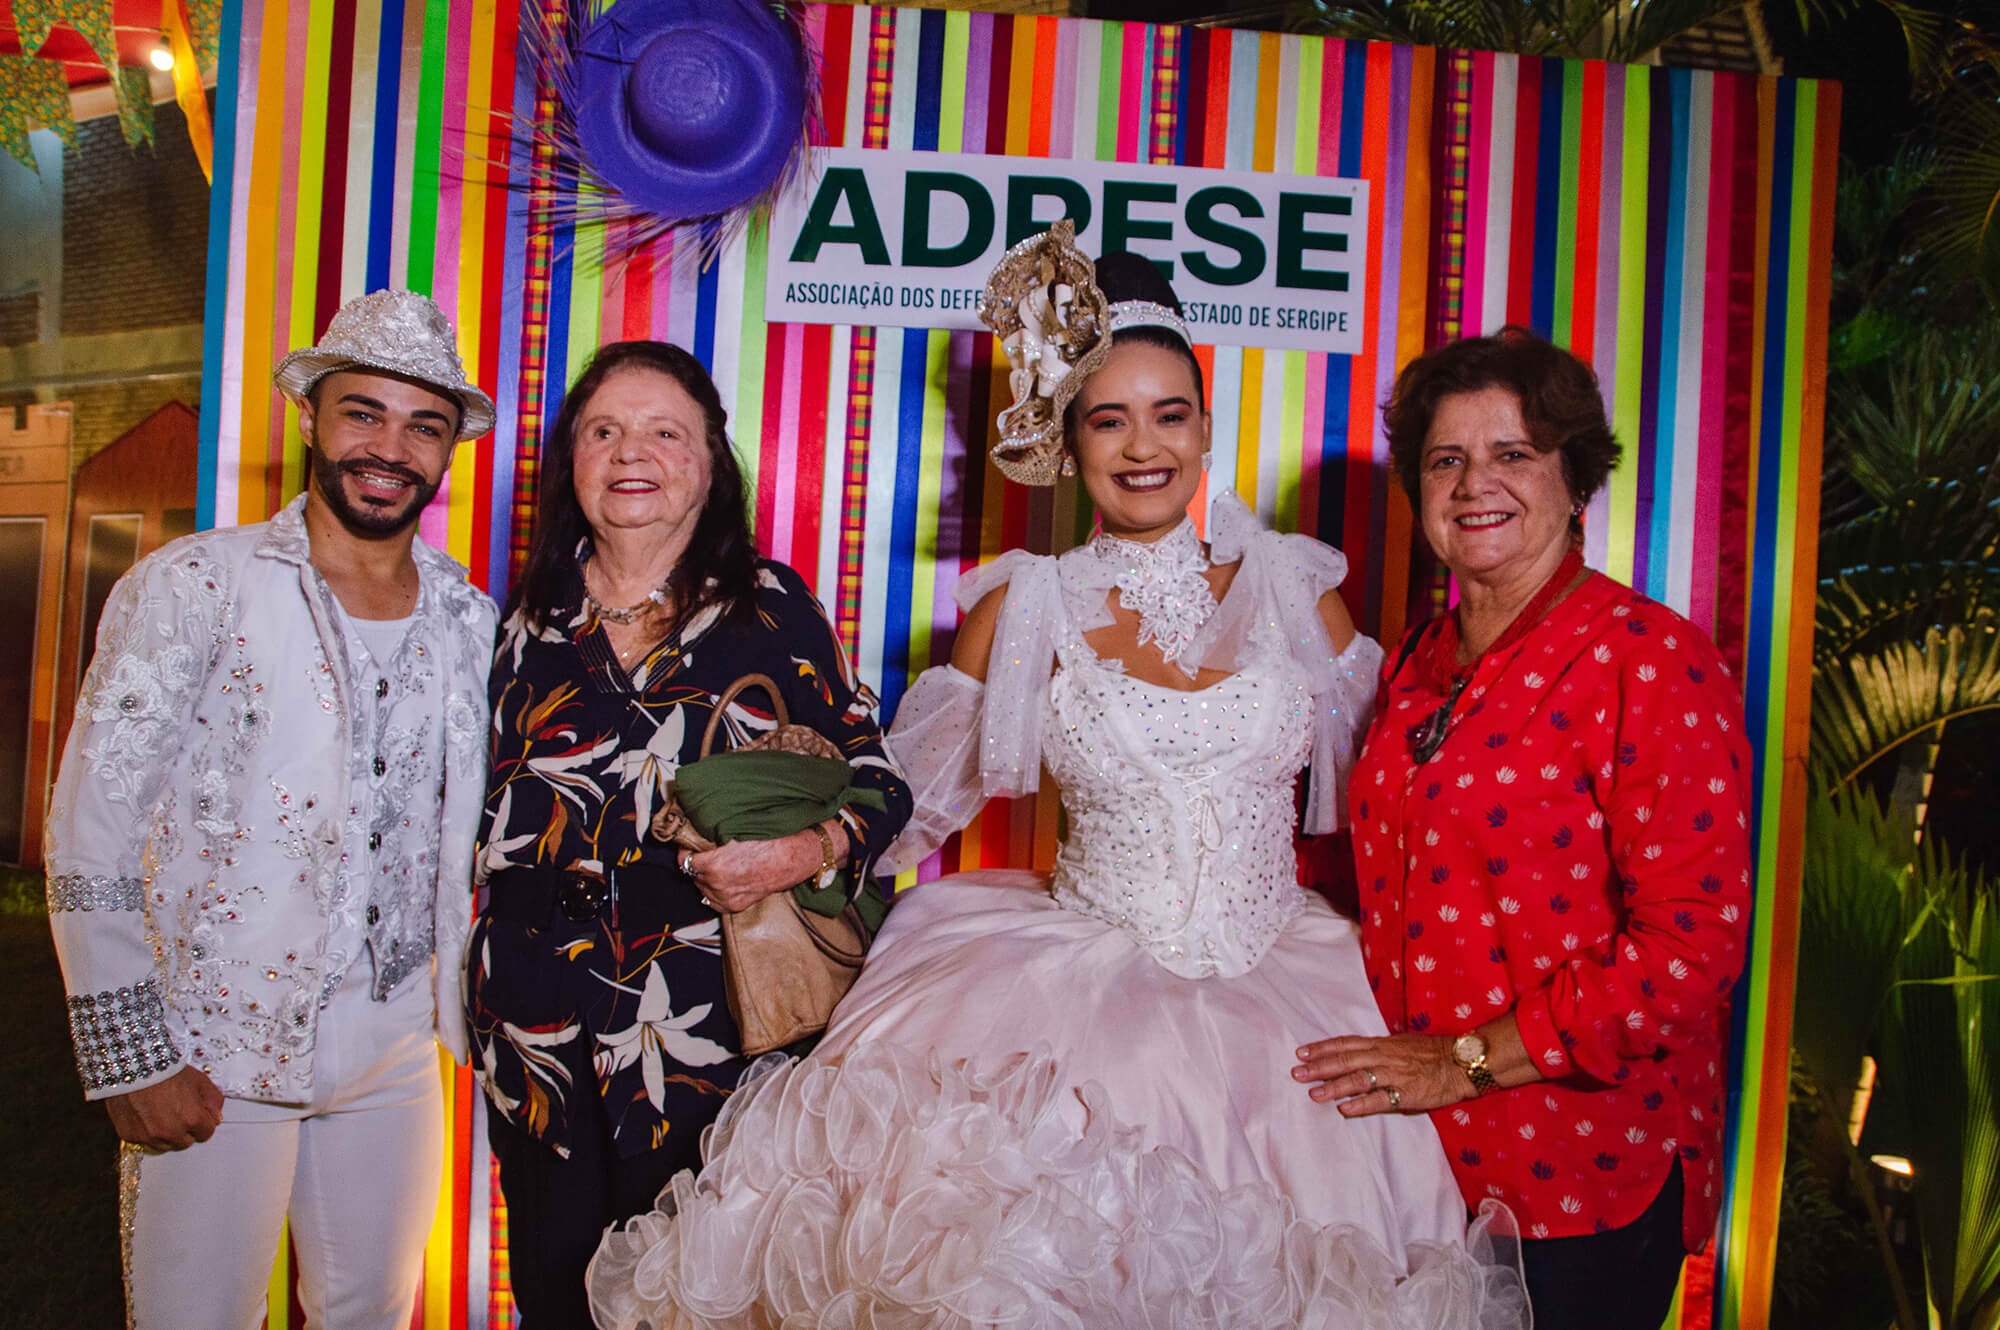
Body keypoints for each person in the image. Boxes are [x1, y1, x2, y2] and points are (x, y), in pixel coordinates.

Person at [586, 224, 1529, 1330]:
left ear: (1205, 427)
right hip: (1072, 1007)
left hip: (1288, 1000)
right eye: (1107, 417)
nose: (1143, 445)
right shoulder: (1023, 606)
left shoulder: (1294, 587)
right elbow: (908, 803)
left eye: (1169, 414)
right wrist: (792, 836)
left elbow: (1399, 795)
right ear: (1069, 441)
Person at [43, 289, 499, 1329]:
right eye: (363, 413)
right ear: (309, 416)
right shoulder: (195, 586)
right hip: (213, 1041)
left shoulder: (469, 618)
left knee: (373, 1311)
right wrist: (130, 1054)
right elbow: (90, 829)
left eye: (423, 426)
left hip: (395, 1048)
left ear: (449, 450)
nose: (390, 448)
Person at [1293, 326, 1754, 1330]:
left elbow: (1689, 949)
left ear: (1573, 477)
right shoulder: (1415, 663)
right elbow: (1365, 871)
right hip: (1414, 1165)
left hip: (1579, 1170)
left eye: (1512, 452)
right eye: (1445, 460)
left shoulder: (1646, 658)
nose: (1474, 484)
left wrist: (1459, 1060)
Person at [466, 340, 912, 1328]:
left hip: (709, 1036)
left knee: (691, 1304)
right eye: (604, 432)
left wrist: (801, 851)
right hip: (536, 1034)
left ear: (710, 464)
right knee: (552, 1297)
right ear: (572, 463)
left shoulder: (771, 608)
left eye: (664, 432)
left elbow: (879, 781)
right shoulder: (515, 623)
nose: (632, 453)